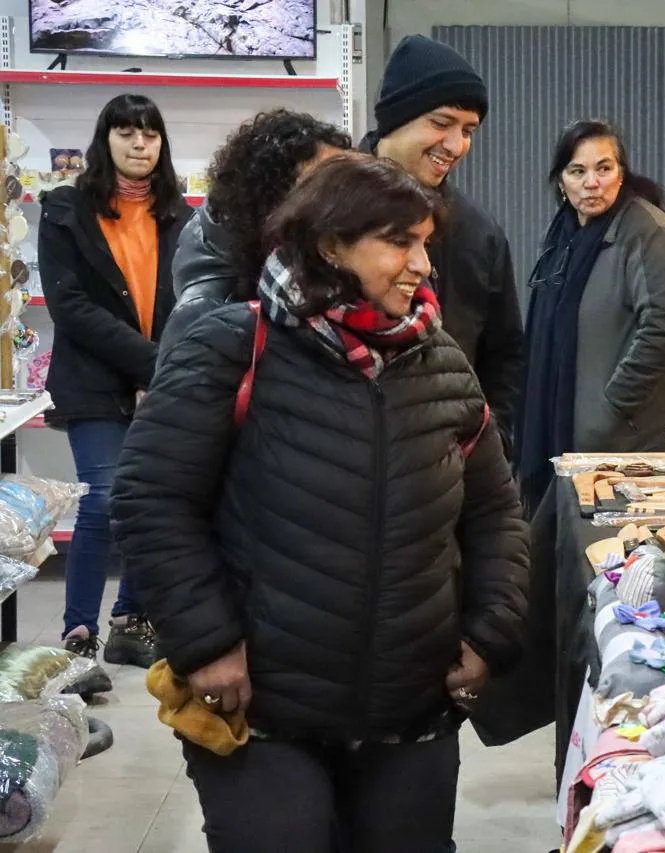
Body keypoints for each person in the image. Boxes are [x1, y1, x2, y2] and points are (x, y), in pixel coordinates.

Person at [110, 155, 529, 852]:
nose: (422, 265)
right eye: (399, 242)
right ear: (331, 244)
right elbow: (152, 498)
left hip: (410, 710)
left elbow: (495, 513)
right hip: (263, 708)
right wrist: (207, 643)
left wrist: (490, 632)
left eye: (425, 243)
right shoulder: (233, 346)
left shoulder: (443, 365)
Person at [38, 93, 192, 683]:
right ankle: (78, 637)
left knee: (149, 503)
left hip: (165, 380)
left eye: (150, 134)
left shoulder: (179, 214)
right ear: (105, 140)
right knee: (103, 501)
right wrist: (152, 364)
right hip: (96, 380)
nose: (139, 144)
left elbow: (193, 299)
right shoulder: (66, 209)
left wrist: (169, 368)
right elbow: (70, 306)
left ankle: (131, 622)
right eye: (126, 132)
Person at [517, 120, 665, 511]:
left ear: (621, 173)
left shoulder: (648, 231)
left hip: (630, 438)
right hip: (581, 434)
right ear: (561, 181)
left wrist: (613, 406)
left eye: (604, 168)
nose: (592, 183)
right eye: (577, 171)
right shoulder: (563, 235)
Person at [360, 35, 523, 452]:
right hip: (333, 464)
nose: (456, 145)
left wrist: (491, 446)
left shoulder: (479, 234)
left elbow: (504, 357)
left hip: (444, 469)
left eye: (468, 130)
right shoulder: (324, 209)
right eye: (441, 122)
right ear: (396, 118)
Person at [162, 109, 349, 359]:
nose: (347, 202)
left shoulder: (318, 275)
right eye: (326, 188)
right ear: (272, 200)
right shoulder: (204, 314)